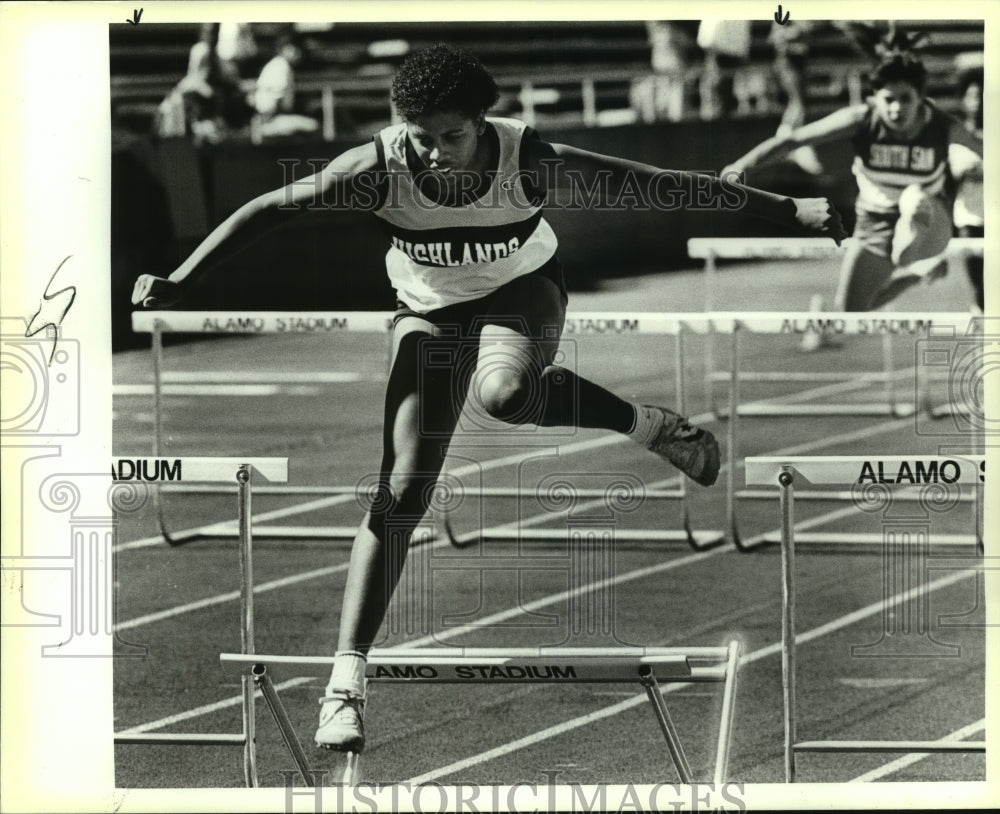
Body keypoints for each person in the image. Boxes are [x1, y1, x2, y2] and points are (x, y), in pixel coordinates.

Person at [132, 43, 844, 753]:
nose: (437, 154)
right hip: (427, 309)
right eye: (421, 138)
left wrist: (788, 208)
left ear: (483, 122)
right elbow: (267, 209)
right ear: (397, 123)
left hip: (521, 290)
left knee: (503, 392)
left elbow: (657, 182)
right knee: (401, 490)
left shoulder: (527, 159)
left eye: (453, 137)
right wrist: (183, 275)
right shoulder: (374, 170)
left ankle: (647, 426)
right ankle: (345, 683)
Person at [722, 25, 983, 317]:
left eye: (905, 99)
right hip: (876, 224)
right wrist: (741, 166)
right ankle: (917, 273)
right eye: (889, 100)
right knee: (850, 313)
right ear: (875, 98)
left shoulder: (942, 125)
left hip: (931, 221)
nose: (897, 108)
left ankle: (913, 236)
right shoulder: (861, 119)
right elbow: (793, 140)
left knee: (913, 197)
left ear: (921, 97)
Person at [953, 64, 984, 313]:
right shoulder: (955, 134)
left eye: (982, 95)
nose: (977, 101)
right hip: (969, 219)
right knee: (978, 286)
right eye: (972, 95)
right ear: (963, 99)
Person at [252, 32, 320, 140]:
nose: (299, 53)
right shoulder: (281, 66)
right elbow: (276, 105)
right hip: (268, 121)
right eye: (295, 49)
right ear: (285, 49)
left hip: (267, 118)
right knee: (313, 126)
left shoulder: (277, 64)